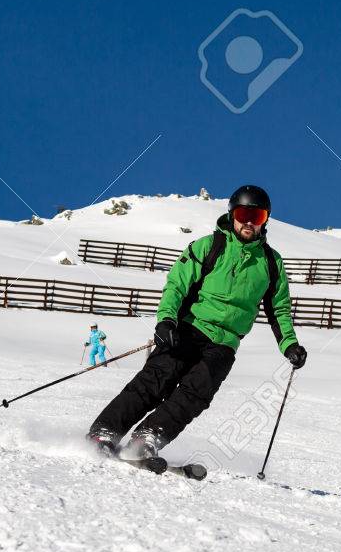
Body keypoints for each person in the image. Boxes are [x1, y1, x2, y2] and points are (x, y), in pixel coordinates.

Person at [87, 185, 307, 459]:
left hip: (224, 343)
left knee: (195, 396)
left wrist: (290, 344)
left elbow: (279, 309)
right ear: (232, 215)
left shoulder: (271, 263)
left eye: (258, 216)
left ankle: (148, 437)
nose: (249, 222)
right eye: (243, 213)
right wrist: (166, 320)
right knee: (155, 382)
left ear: (266, 220)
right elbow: (177, 285)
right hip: (188, 329)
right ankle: (105, 431)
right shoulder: (209, 246)